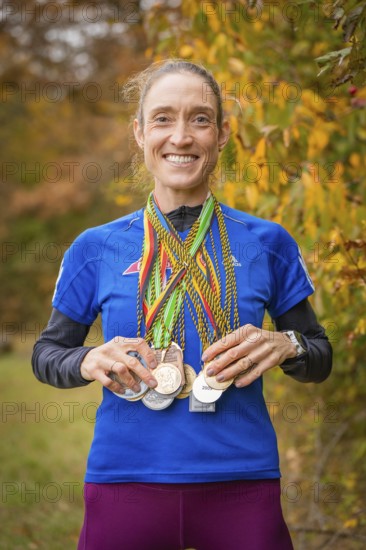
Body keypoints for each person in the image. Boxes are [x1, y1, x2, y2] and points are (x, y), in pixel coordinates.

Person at [32, 60, 332, 550]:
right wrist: (86, 358)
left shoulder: (268, 242)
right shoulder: (95, 246)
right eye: (163, 118)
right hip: (123, 481)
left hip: (243, 482)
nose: (181, 136)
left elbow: (319, 356)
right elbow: (46, 355)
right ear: (139, 132)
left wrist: (288, 343)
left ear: (222, 134)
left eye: (200, 119)